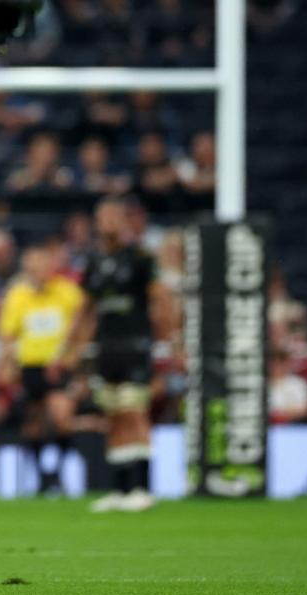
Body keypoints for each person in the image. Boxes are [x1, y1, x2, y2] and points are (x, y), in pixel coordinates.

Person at [57, 197, 175, 512]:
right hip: (106, 348)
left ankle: (142, 487)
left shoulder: (139, 258)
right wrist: (67, 348)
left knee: (134, 411)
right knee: (112, 416)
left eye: (112, 216)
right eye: (102, 216)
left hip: (135, 345)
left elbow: (161, 302)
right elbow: (85, 310)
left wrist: (170, 341)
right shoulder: (93, 261)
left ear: (123, 221)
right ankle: (120, 490)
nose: (106, 222)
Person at [0, 243, 84, 495]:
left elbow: (81, 326)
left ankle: (56, 470)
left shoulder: (68, 292)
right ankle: (41, 477)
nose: (36, 271)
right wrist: (6, 364)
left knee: (62, 419)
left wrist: (72, 359)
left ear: (51, 266)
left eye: (41, 265)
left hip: (58, 366)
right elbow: (7, 334)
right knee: (33, 424)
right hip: (30, 366)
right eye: (31, 266)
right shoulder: (18, 295)